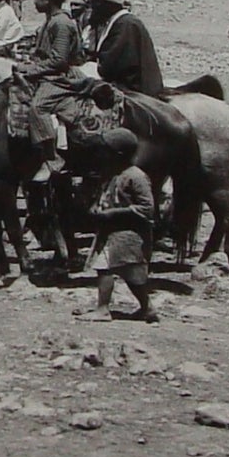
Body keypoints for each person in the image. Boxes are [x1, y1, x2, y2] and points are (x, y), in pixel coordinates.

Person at [79, 128, 158, 323]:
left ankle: (103, 309)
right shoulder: (112, 173)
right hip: (112, 233)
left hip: (129, 234)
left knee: (109, 268)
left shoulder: (136, 176)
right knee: (127, 273)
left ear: (118, 154)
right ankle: (147, 308)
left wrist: (114, 213)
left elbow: (147, 208)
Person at [7, 0, 85, 169]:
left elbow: (59, 61)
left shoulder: (61, 24)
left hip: (60, 78)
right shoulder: (51, 21)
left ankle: (50, 156)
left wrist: (30, 70)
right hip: (47, 74)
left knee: (38, 107)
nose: (34, 1)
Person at [85, 0, 164, 95]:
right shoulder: (118, 22)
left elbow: (108, 67)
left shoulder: (125, 25)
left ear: (107, 4)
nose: (93, 8)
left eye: (96, 2)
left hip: (134, 90)